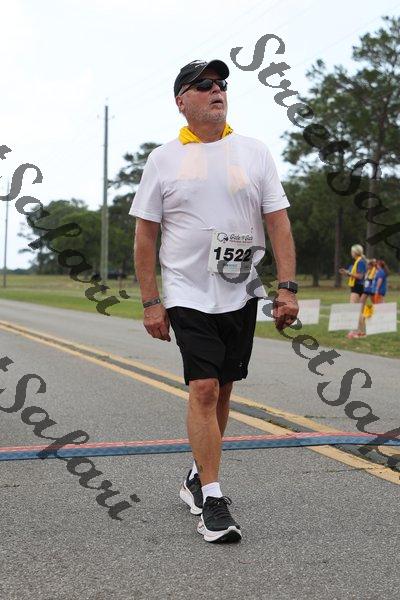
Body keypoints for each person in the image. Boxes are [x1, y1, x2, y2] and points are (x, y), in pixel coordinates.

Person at [130, 59, 298, 544]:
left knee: (223, 389)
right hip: (187, 291)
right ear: (181, 101)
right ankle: (213, 500)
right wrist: (151, 301)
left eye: (221, 83)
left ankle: (197, 475)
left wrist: (287, 288)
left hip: (241, 290)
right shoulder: (163, 159)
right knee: (203, 388)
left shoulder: (254, 152)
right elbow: (145, 235)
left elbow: (278, 222)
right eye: (203, 85)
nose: (216, 90)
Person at [339, 244, 367, 339]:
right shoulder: (357, 262)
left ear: (355, 252)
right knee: (357, 309)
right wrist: (347, 272)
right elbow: (354, 274)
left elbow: (360, 276)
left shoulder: (360, 262)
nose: (351, 253)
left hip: (357, 287)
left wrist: (348, 273)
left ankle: (357, 331)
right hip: (356, 287)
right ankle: (361, 332)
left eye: (352, 251)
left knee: (355, 309)